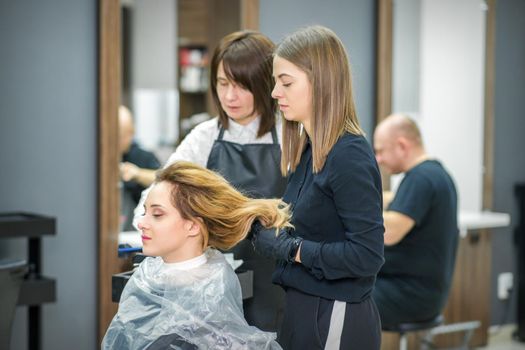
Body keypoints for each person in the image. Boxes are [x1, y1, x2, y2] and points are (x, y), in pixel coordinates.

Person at [134, 31, 287, 331]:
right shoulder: (204, 137)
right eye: (222, 83)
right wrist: (149, 219)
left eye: (242, 86)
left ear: (265, 85)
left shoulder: (291, 136)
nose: (230, 97)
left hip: (279, 276)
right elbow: (158, 192)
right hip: (218, 279)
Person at [251, 25, 385, 349]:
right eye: (275, 83)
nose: (274, 94)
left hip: (335, 315)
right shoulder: (311, 150)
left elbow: (367, 256)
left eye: (286, 83)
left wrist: (291, 249)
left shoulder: (348, 155)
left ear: (321, 83)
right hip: (303, 308)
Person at [103, 161, 289, 349]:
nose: (141, 222)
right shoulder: (146, 276)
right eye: (145, 212)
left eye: (157, 214)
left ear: (192, 226)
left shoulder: (210, 288)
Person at [372, 113, 458, 327]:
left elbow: (389, 233)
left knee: (339, 299)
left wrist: (351, 211)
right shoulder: (436, 174)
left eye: (381, 151)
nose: (378, 159)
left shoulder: (420, 178)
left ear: (402, 145)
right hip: (423, 293)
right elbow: (394, 201)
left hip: (408, 294)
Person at [119, 105, 160, 231]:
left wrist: (136, 174)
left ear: (132, 131)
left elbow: (163, 181)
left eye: (123, 135)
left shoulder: (143, 157)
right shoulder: (96, 159)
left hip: (138, 228)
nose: (118, 140)